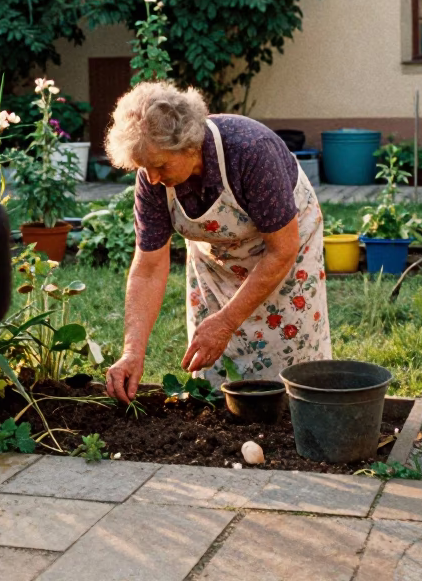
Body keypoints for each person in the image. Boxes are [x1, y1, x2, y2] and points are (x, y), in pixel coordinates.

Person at [102, 80, 330, 404]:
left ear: (189, 146)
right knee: (215, 372)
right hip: (218, 257)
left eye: (159, 166)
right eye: (144, 168)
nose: (151, 178)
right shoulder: (153, 178)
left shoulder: (251, 151)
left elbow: (283, 249)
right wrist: (132, 352)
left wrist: (226, 320)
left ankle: (297, 415)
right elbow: (148, 267)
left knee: (290, 358)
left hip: (284, 245)